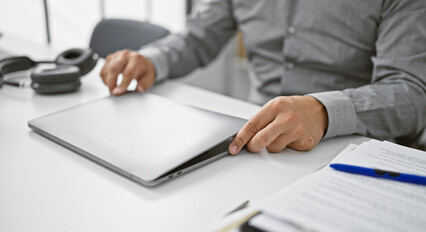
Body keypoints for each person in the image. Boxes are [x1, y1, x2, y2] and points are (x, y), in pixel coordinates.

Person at [100, 0, 426, 154]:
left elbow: (411, 92)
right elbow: (196, 38)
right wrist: (151, 60)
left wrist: (323, 111)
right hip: (255, 142)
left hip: (350, 146)